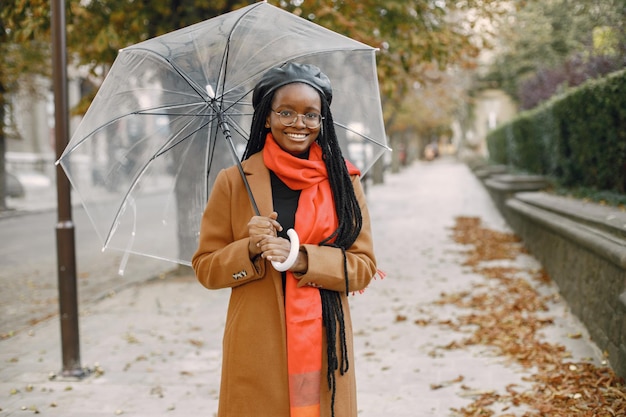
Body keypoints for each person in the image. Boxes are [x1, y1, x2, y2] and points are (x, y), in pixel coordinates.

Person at [192, 62, 377, 417]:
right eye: (287, 112)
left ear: (322, 121)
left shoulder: (344, 181)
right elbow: (205, 268)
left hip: (324, 340)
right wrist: (248, 248)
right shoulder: (234, 182)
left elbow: (364, 267)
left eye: (311, 115)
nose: (299, 124)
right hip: (256, 345)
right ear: (266, 117)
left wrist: (301, 258)